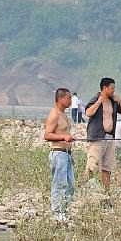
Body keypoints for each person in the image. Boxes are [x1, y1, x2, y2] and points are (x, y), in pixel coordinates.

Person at [84, 78, 121, 192]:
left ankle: (106, 191)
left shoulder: (113, 101)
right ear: (105, 88)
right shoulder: (95, 98)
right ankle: (85, 188)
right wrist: (99, 102)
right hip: (98, 137)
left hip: (110, 137)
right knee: (92, 165)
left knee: (107, 167)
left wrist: (120, 100)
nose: (113, 91)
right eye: (112, 88)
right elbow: (88, 112)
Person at [43, 88, 75, 222]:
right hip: (58, 154)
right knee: (59, 184)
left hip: (67, 154)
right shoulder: (54, 114)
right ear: (61, 99)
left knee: (70, 185)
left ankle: (64, 211)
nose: (71, 101)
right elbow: (47, 135)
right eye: (68, 98)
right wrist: (63, 137)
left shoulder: (64, 114)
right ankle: (57, 213)